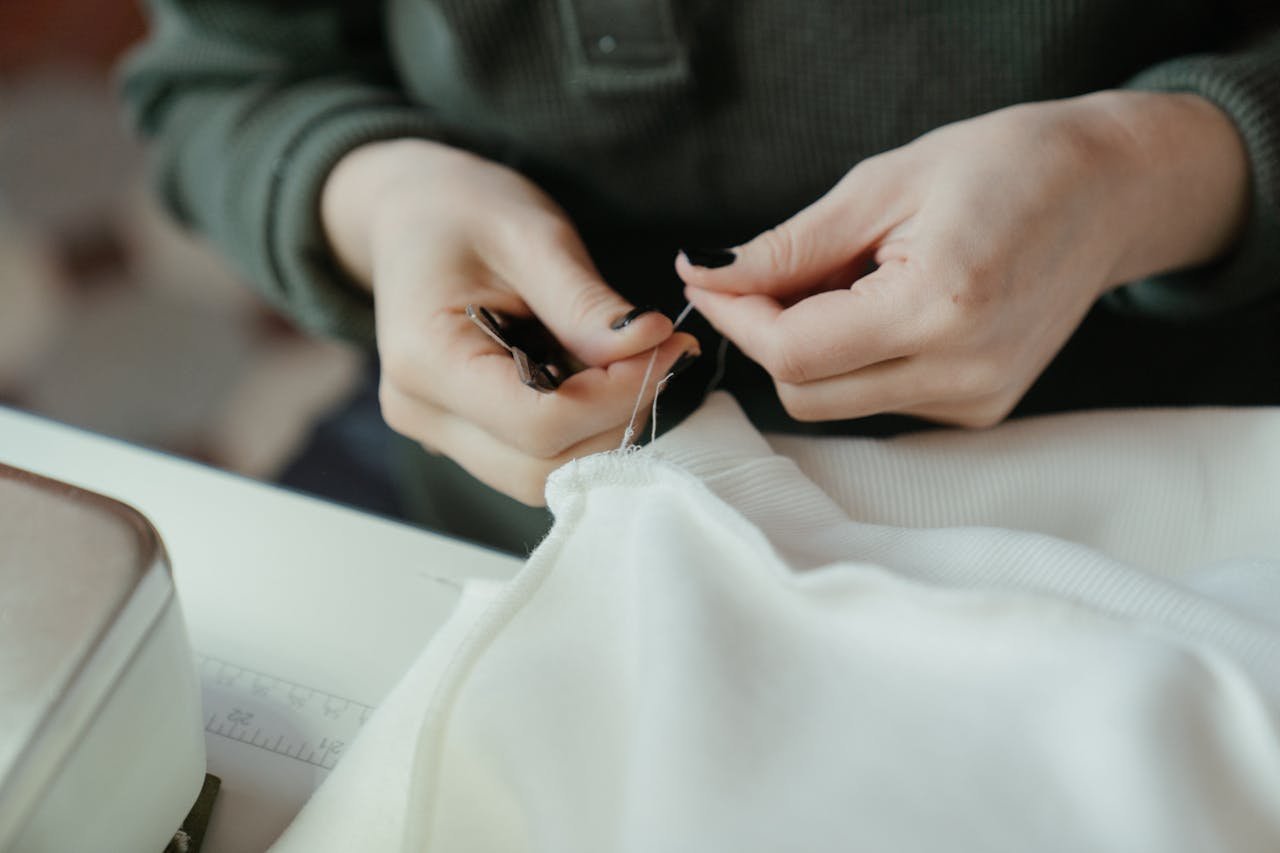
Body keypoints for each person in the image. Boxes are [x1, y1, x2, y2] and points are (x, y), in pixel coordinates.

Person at [121, 1, 1280, 553]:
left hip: (1169, 492)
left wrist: (1158, 169)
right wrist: (379, 200)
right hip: (491, 511)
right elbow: (221, 77)